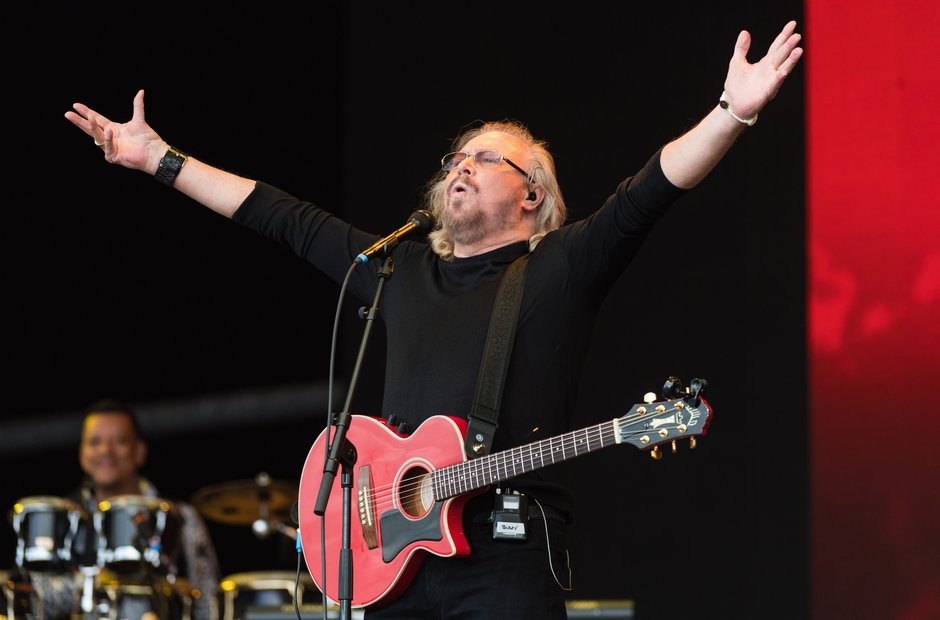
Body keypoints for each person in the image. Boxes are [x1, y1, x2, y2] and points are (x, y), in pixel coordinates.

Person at [64, 21, 803, 620]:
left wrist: (732, 111)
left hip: (506, 555)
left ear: (532, 199)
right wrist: (161, 160)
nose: (462, 164)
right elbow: (280, 217)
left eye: (487, 158)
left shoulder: (559, 266)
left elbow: (651, 191)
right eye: (458, 155)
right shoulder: (398, 267)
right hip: (395, 562)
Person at [28, 399, 221, 620]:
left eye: (118, 441)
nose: (105, 450)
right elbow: (36, 604)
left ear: (139, 451)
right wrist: (92, 581)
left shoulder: (181, 516)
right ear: (82, 453)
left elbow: (209, 600)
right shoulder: (63, 517)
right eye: (94, 442)